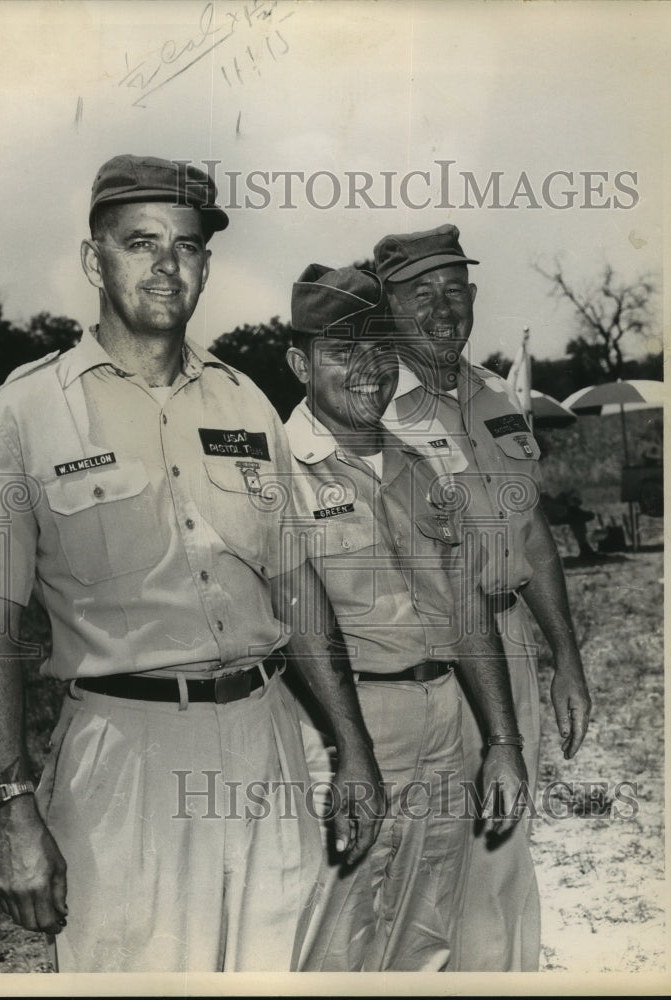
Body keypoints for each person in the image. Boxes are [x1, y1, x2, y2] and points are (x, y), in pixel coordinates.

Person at [0, 155, 383, 973]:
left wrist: (353, 747)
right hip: (123, 761)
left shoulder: (245, 401)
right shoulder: (22, 414)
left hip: (265, 742)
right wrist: (11, 809)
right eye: (142, 243)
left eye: (189, 246)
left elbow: (296, 591)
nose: (168, 266)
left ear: (206, 264)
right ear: (95, 261)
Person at [282, 263, 529, 971]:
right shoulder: (274, 470)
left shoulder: (423, 468)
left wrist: (502, 742)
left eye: (380, 349)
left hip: (443, 718)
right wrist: (351, 749)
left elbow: (465, 611)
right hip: (344, 728)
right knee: (337, 936)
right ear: (300, 363)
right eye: (341, 351)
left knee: (428, 934)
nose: (369, 370)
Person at [373, 224, 592, 971]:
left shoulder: (500, 395)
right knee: (431, 876)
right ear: (384, 308)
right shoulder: (369, 406)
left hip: (512, 653)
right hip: (429, 667)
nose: (443, 309)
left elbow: (531, 538)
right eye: (419, 294)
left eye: (455, 290)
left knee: (504, 857)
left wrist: (566, 658)